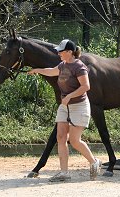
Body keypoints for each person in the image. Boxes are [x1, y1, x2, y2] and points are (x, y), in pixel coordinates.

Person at [28, 39, 100, 182]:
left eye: (61, 51)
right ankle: (64, 173)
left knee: (74, 140)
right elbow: (52, 71)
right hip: (65, 106)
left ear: (69, 52)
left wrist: (70, 96)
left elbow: (86, 86)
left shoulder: (79, 67)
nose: (58, 53)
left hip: (79, 106)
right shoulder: (63, 65)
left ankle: (94, 162)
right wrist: (37, 70)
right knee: (60, 137)